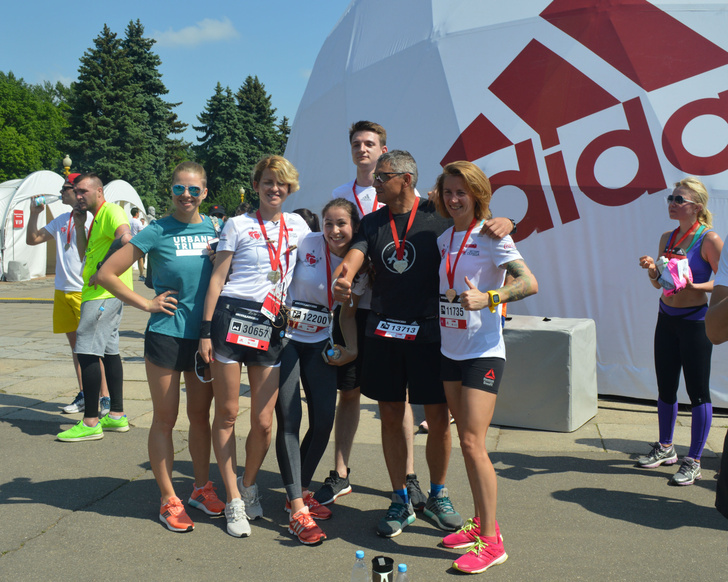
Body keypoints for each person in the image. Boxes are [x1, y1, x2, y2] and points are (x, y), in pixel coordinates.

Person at [332, 150, 515, 538]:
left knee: (437, 420)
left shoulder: (438, 213)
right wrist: (344, 275)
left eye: (382, 177)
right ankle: (400, 498)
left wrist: (506, 220)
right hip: (383, 331)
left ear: (406, 179)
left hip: (433, 333)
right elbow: (356, 253)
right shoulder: (373, 221)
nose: (374, 183)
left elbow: (478, 220)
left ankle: (437, 494)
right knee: (391, 415)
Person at [97, 161, 225, 533]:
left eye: (194, 189)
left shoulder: (216, 229)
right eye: (179, 189)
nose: (186, 195)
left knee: (201, 418)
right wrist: (146, 303)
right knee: (165, 419)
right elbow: (105, 274)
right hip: (167, 335)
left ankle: (201, 489)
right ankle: (169, 498)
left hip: (204, 338)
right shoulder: (156, 230)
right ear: (170, 190)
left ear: (204, 192)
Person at [316, 121, 426, 512]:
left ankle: (409, 477)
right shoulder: (340, 195)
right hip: (352, 307)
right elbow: (334, 241)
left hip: (391, 307)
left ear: (384, 149)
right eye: (357, 144)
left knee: (399, 398)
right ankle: (341, 472)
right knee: (348, 392)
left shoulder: (402, 193)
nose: (363, 149)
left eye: (370, 144)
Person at [433, 161, 538, 574]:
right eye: (448, 192)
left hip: (483, 352)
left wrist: (490, 298)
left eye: (462, 192)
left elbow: (529, 283)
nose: (454, 198)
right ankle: (479, 522)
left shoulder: (493, 235)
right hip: (450, 349)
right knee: (465, 441)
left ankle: (492, 541)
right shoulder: (445, 237)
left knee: (475, 443)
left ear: (477, 194)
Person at [198, 155, 310, 537]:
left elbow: (328, 247)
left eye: (281, 183)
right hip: (232, 317)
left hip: (272, 322)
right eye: (267, 182)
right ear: (257, 185)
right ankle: (232, 501)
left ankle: (248, 484)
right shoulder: (237, 224)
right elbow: (218, 277)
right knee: (227, 413)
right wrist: (205, 330)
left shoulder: (298, 225)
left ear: (290, 187)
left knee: (263, 422)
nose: (274, 188)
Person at [275, 198, 363, 544]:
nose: (334, 231)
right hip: (288, 341)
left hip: (321, 343)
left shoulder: (359, 263)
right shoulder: (307, 241)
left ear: (353, 226)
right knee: (289, 418)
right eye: (328, 223)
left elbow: (348, 313)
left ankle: (299, 488)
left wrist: (351, 349)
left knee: (324, 418)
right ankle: (296, 504)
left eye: (341, 224)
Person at [638, 177, 723, 485]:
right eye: (671, 198)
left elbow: (722, 282)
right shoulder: (667, 237)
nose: (672, 204)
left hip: (695, 321)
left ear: (696, 207)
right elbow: (660, 283)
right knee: (665, 386)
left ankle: (695, 460)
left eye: (678, 199)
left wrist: (695, 285)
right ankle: (665, 448)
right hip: (667, 316)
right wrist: (652, 271)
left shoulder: (710, 239)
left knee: (698, 392)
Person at [56, 173, 133, 442]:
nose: (78, 196)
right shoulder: (93, 218)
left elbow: (125, 238)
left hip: (102, 294)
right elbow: (83, 253)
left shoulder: (111, 211)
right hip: (104, 294)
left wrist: (103, 268)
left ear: (99, 192)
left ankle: (90, 421)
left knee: (86, 351)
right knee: (110, 351)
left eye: (83, 192)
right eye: (75, 192)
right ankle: (116, 415)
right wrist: (79, 225)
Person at [26, 173, 111, 417]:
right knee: (76, 349)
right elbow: (33, 239)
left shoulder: (93, 219)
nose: (62, 192)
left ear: (78, 192)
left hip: (85, 292)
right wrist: (34, 213)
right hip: (62, 291)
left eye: (66, 188)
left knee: (93, 349)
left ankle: (105, 397)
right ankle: (85, 394)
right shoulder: (62, 219)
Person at [130, 207, 145, 281]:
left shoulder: (128, 221)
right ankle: (141, 275)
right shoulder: (138, 222)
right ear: (136, 213)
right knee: (140, 259)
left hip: (129, 241)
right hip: (137, 242)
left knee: (129, 259)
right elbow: (141, 233)